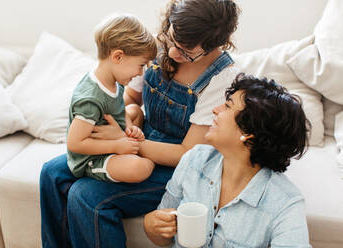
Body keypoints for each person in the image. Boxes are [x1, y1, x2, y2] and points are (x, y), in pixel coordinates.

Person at [40, 0, 241, 247]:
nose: (173, 53)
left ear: (213, 46)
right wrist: (127, 116)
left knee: (85, 196)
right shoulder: (157, 47)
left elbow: (187, 154)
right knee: (51, 173)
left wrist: (125, 142)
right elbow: (130, 97)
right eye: (171, 39)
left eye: (187, 51)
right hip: (135, 138)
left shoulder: (222, 78)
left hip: (178, 165)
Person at [144, 73, 312, 248]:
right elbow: (164, 237)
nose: (215, 109)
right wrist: (151, 226)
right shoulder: (195, 160)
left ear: (248, 132)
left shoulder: (285, 204)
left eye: (228, 106)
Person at [66, 13, 156, 183]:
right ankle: (148, 161)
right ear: (118, 57)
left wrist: (129, 128)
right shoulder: (90, 100)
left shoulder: (115, 79)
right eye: (141, 65)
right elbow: (75, 143)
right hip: (92, 157)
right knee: (140, 168)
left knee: (134, 110)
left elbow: (120, 110)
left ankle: (133, 147)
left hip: (112, 136)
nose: (141, 73)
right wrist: (117, 145)